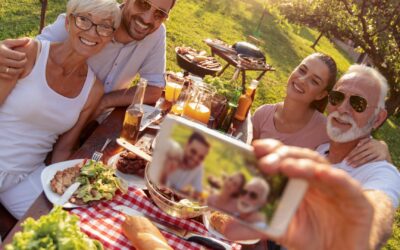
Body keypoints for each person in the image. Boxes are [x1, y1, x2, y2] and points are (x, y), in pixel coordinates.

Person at [0, 0, 121, 219]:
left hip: (27, 177)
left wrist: (63, 193)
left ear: (110, 37)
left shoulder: (93, 89)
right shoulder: (29, 53)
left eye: (104, 26)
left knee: (67, 229)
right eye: (84, 20)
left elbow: (64, 148)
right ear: (67, 23)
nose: (92, 32)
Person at [0, 0, 177, 120]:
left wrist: (104, 102)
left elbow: (154, 89)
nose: (147, 19)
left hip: (94, 122)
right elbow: (34, 52)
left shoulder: (156, 33)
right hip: (51, 115)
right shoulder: (91, 16)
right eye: (143, 3)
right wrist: (5, 51)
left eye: (160, 14)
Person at [251, 53, 391, 167]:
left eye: (315, 81)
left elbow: (355, 142)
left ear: (322, 94)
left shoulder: (328, 130)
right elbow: (249, 157)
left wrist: (383, 149)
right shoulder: (262, 114)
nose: (302, 79)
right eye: (302, 70)